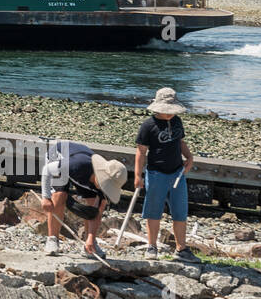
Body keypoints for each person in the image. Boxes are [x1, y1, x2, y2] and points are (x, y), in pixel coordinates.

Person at [135, 87, 197, 261]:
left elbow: (180, 142)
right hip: (156, 174)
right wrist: (138, 175)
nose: (169, 114)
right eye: (166, 111)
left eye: (172, 110)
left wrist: (189, 157)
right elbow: (140, 152)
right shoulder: (148, 126)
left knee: (180, 212)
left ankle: (181, 249)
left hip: (177, 173)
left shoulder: (177, 121)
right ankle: (152, 246)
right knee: (153, 211)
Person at [39, 142, 128, 257]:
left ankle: (89, 245)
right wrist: (45, 198)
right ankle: (52, 239)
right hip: (59, 155)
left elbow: (97, 213)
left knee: (92, 205)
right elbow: (47, 170)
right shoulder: (77, 165)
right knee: (59, 195)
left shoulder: (103, 189)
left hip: (81, 168)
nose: (104, 188)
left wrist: (91, 238)